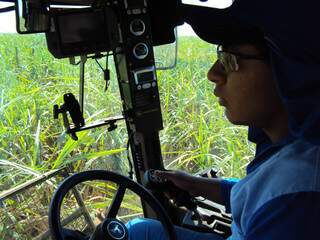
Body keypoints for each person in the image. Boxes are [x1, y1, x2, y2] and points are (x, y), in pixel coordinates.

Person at [126, 39, 320, 239]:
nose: (213, 74)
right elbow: (256, 194)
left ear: (289, 71)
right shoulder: (282, 143)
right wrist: (194, 184)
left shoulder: (296, 201)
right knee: (138, 229)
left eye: (230, 60)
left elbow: (272, 196)